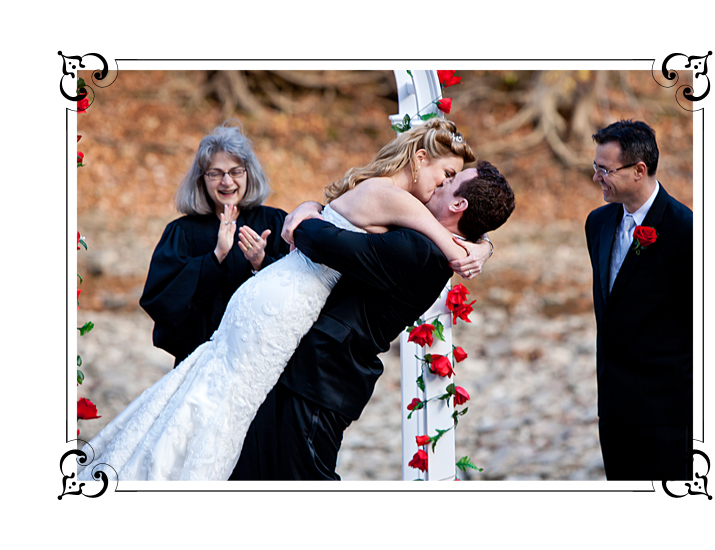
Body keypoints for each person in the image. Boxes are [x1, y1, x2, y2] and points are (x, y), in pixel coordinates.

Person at [77, 118, 494, 481]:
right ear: (420, 159)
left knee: (227, 406)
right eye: (445, 173)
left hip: (276, 306)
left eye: (236, 171)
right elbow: (340, 234)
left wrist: (481, 244)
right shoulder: (395, 200)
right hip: (280, 311)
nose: (442, 184)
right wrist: (464, 250)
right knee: (233, 412)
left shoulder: (389, 201)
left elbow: (343, 217)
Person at [229, 159, 515, 480]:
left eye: (450, 181)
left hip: (322, 378)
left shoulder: (419, 250)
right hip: (310, 374)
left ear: (459, 203)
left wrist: (307, 216)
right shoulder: (430, 243)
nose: (440, 183)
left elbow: (327, 243)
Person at [585, 120, 693, 480]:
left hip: (666, 413)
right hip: (613, 408)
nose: (596, 177)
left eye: (605, 169)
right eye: (596, 167)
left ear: (639, 171)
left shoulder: (685, 230)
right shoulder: (597, 223)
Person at [139, 123, 290, 366]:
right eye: (216, 173)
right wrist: (215, 257)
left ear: (248, 173)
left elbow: (296, 291)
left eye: (235, 171)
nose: (227, 182)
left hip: (261, 362)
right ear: (202, 179)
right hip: (200, 360)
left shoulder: (273, 222)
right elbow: (161, 302)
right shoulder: (182, 233)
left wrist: (261, 262)